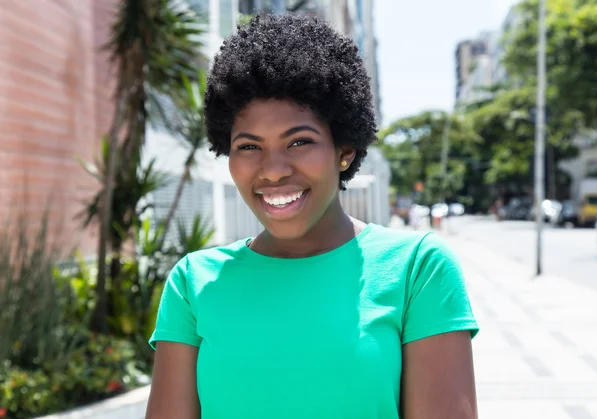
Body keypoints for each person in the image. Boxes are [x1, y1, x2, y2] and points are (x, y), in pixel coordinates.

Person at [146, 14, 479, 419]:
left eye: (299, 141)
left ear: (345, 150)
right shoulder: (193, 283)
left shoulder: (417, 270)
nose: (272, 169)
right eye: (249, 146)